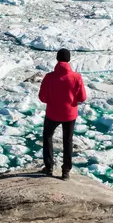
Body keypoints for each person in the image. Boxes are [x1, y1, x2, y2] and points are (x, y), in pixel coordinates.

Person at [38, 48, 87, 180]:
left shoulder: (49, 77)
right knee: (68, 140)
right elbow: (82, 98)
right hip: (70, 114)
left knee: (48, 136)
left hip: (52, 113)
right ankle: (66, 171)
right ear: (69, 59)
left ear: (57, 59)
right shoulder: (76, 77)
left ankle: (48, 168)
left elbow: (42, 98)